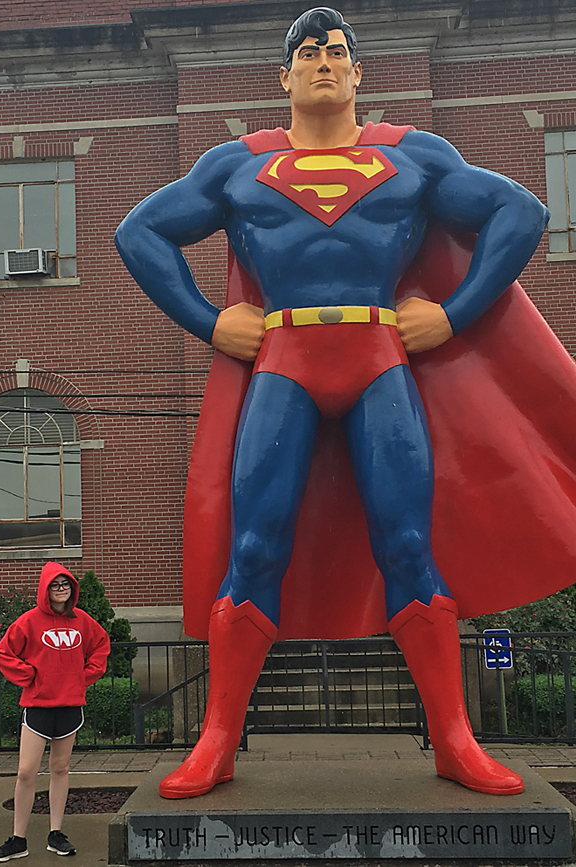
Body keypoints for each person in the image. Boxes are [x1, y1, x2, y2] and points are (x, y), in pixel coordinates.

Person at [114, 7, 553, 800]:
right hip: (284, 362)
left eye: (338, 52)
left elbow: (521, 212)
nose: (323, 61)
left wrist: (453, 314)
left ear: (358, 74)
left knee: (410, 545)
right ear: (282, 77)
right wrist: (210, 322)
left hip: (379, 358)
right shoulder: (235, 166)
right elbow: (140, 231)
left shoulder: (412, 155)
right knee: (253, 549)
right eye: (308, 52)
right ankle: (216, 741)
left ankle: (455, 739)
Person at [0, 562, 110, 862]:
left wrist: (83, 677)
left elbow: (101, 646)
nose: (60, 590)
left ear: (72, 589)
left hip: (69, 706)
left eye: (65, 584)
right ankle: (18, 839)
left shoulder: (82, 620)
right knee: (26, 771)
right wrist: (29, 676)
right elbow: (3, 653)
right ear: (45, 589)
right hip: (38, 706)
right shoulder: (29, 621)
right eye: (54, 585)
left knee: (60, 769)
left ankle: (56, 834)